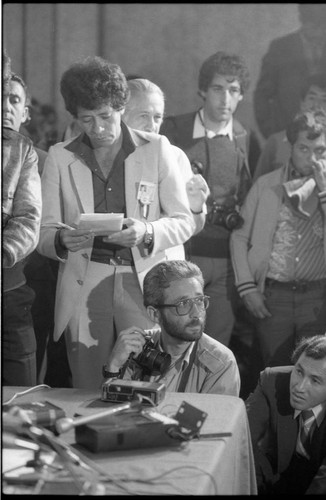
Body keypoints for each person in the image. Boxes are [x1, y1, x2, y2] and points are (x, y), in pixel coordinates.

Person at [37, 56, 196, 389]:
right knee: (86, 384)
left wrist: (146, 230)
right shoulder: (60, 156)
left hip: (142, 281)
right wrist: (62, 241)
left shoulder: (157, 149)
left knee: (146, 381)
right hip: (85, 281)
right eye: (87, 119)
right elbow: (44, 232)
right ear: (75, 118)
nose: (98, 129)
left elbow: (184, 222)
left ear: (121, 107)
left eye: (106, 116)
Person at [160, 51, 255, 346]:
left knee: (217, 345)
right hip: (185, 253)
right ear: (203, 90)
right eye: (218, 89)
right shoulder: (174, 130)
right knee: (176, 340)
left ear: (241, 95)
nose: (225, 98)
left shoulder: (244, 138)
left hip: (226, 259)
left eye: (234, 90)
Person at [231, 110, 326, 367]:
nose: (312, 158)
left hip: (318, 298)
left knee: (316, 373)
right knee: (274, 372)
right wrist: (247, 288)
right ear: (291, 147)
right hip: (274, 296)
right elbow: (239, 237)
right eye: (304, 149)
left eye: (320, 151)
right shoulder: (266, 185)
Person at [103, 260, 240, 396]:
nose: (196, 313)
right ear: (155, 314)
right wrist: (113, 368)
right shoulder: (135, 348)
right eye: (183, 303)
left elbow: (216, 418)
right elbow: (111, 414)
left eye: (199, 300)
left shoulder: (221, 363)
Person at [2, 51, 42, 386]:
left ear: (25, 111)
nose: (5, 107)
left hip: (10, 291)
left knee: (21, 395)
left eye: (14, 100)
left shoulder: (23, 151)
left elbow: (29, 219)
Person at [123, 77, 209, 233]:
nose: (151, 126)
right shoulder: (108, 155)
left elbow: (194, 227)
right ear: (122, 116)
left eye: (157, 117)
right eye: (143, 116)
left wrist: (196, 208)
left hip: (163, 255)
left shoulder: (176, 157)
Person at [246, 334, 326, 495]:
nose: (300, 387)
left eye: (315, 380)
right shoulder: (271, 381)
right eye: (299, 371)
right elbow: (243, 438)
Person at [254, 4, 326, 140]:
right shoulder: (280, 48)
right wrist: (271, 133)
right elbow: (262, 95)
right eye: (313, 25)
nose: (319, 32)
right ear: (302, 21)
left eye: (322, 26)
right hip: (286, 136)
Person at [254, 73, 326, 182]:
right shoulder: (276, 142)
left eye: (324, 100)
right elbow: (257, 186)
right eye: (312, 98)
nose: (317, 105)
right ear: (302, 103)